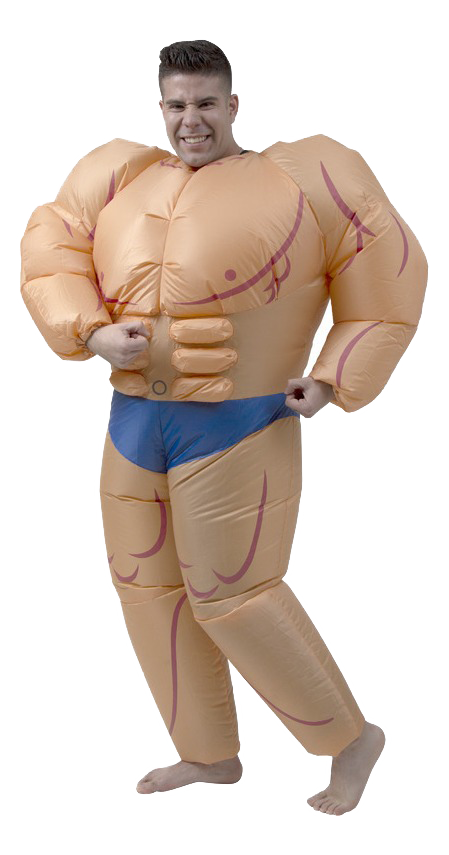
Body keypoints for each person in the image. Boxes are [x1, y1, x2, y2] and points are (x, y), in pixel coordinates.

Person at [19, 39, 428, 816]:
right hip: (134, 419)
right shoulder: (116, 174)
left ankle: (349, 739)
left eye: (205, 103)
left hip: (242, 420)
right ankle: (207, 753)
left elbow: (387, 267)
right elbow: (50, 247)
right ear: (160, 106)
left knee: (232, 593)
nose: (190, 119)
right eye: (176, 104)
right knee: (146, 586)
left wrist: (333, 376)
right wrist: (91, 329)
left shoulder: (307, 175)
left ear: (232, 104)